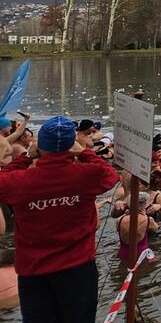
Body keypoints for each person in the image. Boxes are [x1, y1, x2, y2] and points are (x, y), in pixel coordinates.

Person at [0, 115, 119, 323]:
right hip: (78, 268)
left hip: (34, 271)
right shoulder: (86, 175)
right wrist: (84, 153)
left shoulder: (21, 181)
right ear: (71, 146)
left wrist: (27, 157)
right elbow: (110, 174)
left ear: (41, 146)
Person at [117, 192, 158, 260]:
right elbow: (155, 229)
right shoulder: (149, 220)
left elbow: (118, 229)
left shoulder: (120, 219)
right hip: (141, 254)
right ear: (144, 204)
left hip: (123, 253)